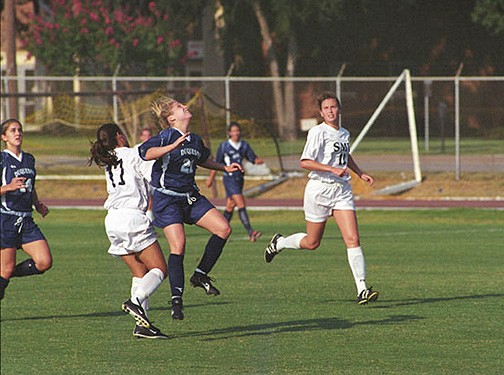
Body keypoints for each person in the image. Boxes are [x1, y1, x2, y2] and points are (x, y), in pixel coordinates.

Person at [264, 91, 379, 305]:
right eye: (326, 108)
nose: (330, 111)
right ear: (321, 112)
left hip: (342, 191)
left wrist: (359, 172)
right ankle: (279, 243)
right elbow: (305, 161)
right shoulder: (318, 132)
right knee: (312, 242)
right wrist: (331, 170)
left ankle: (362, 288)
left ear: (339, 109)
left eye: (333, 107)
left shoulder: (344, 133)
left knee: (353, 239)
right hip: (319, 190)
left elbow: (345, 156)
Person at [139, 96, 243, 321]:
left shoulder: (194, 139)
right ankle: (176, 300)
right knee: (179, 245)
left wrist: (225, 168)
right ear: (172, 118)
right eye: (179, 106)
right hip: (167, 200)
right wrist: (171, 146)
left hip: (190, 196)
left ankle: (200, 274)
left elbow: (203, 159)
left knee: (223, 229)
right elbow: (145, 153)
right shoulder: (166, 136)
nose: (185, 107)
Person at [89, 123, 169, 339]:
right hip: (132, 218)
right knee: (160, 269)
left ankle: (143, 326)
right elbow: (155, 179)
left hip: (112, 221)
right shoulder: (134, 154)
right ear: (120, 136)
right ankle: (134, 302)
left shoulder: (109, 159)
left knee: (140, 273)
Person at [0, 119, 52, 300]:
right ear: (3, 137)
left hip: (26, 220)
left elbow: (31, 185)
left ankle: (5, 274)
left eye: (20, 130)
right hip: (6, 220)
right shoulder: (2, 159)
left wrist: (37, 203)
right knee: (5, 270)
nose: (17, 133)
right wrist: (7, 187)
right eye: (12, 130)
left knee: (44, 262)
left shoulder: (29, 159)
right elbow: (9, 187)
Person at [206, 121, 264, 242]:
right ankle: (251, 232)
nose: (236, 133)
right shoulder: (224, 146)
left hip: (239, 179)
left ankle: (219, 232)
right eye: (233, 131)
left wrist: (257, 161)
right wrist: (211, 178)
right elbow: (217, 163)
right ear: (229, 133)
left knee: (230, 206)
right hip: (229, 179)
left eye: (237, 130)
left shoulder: (244, 145)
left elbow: (252, 158)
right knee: (241, 204)